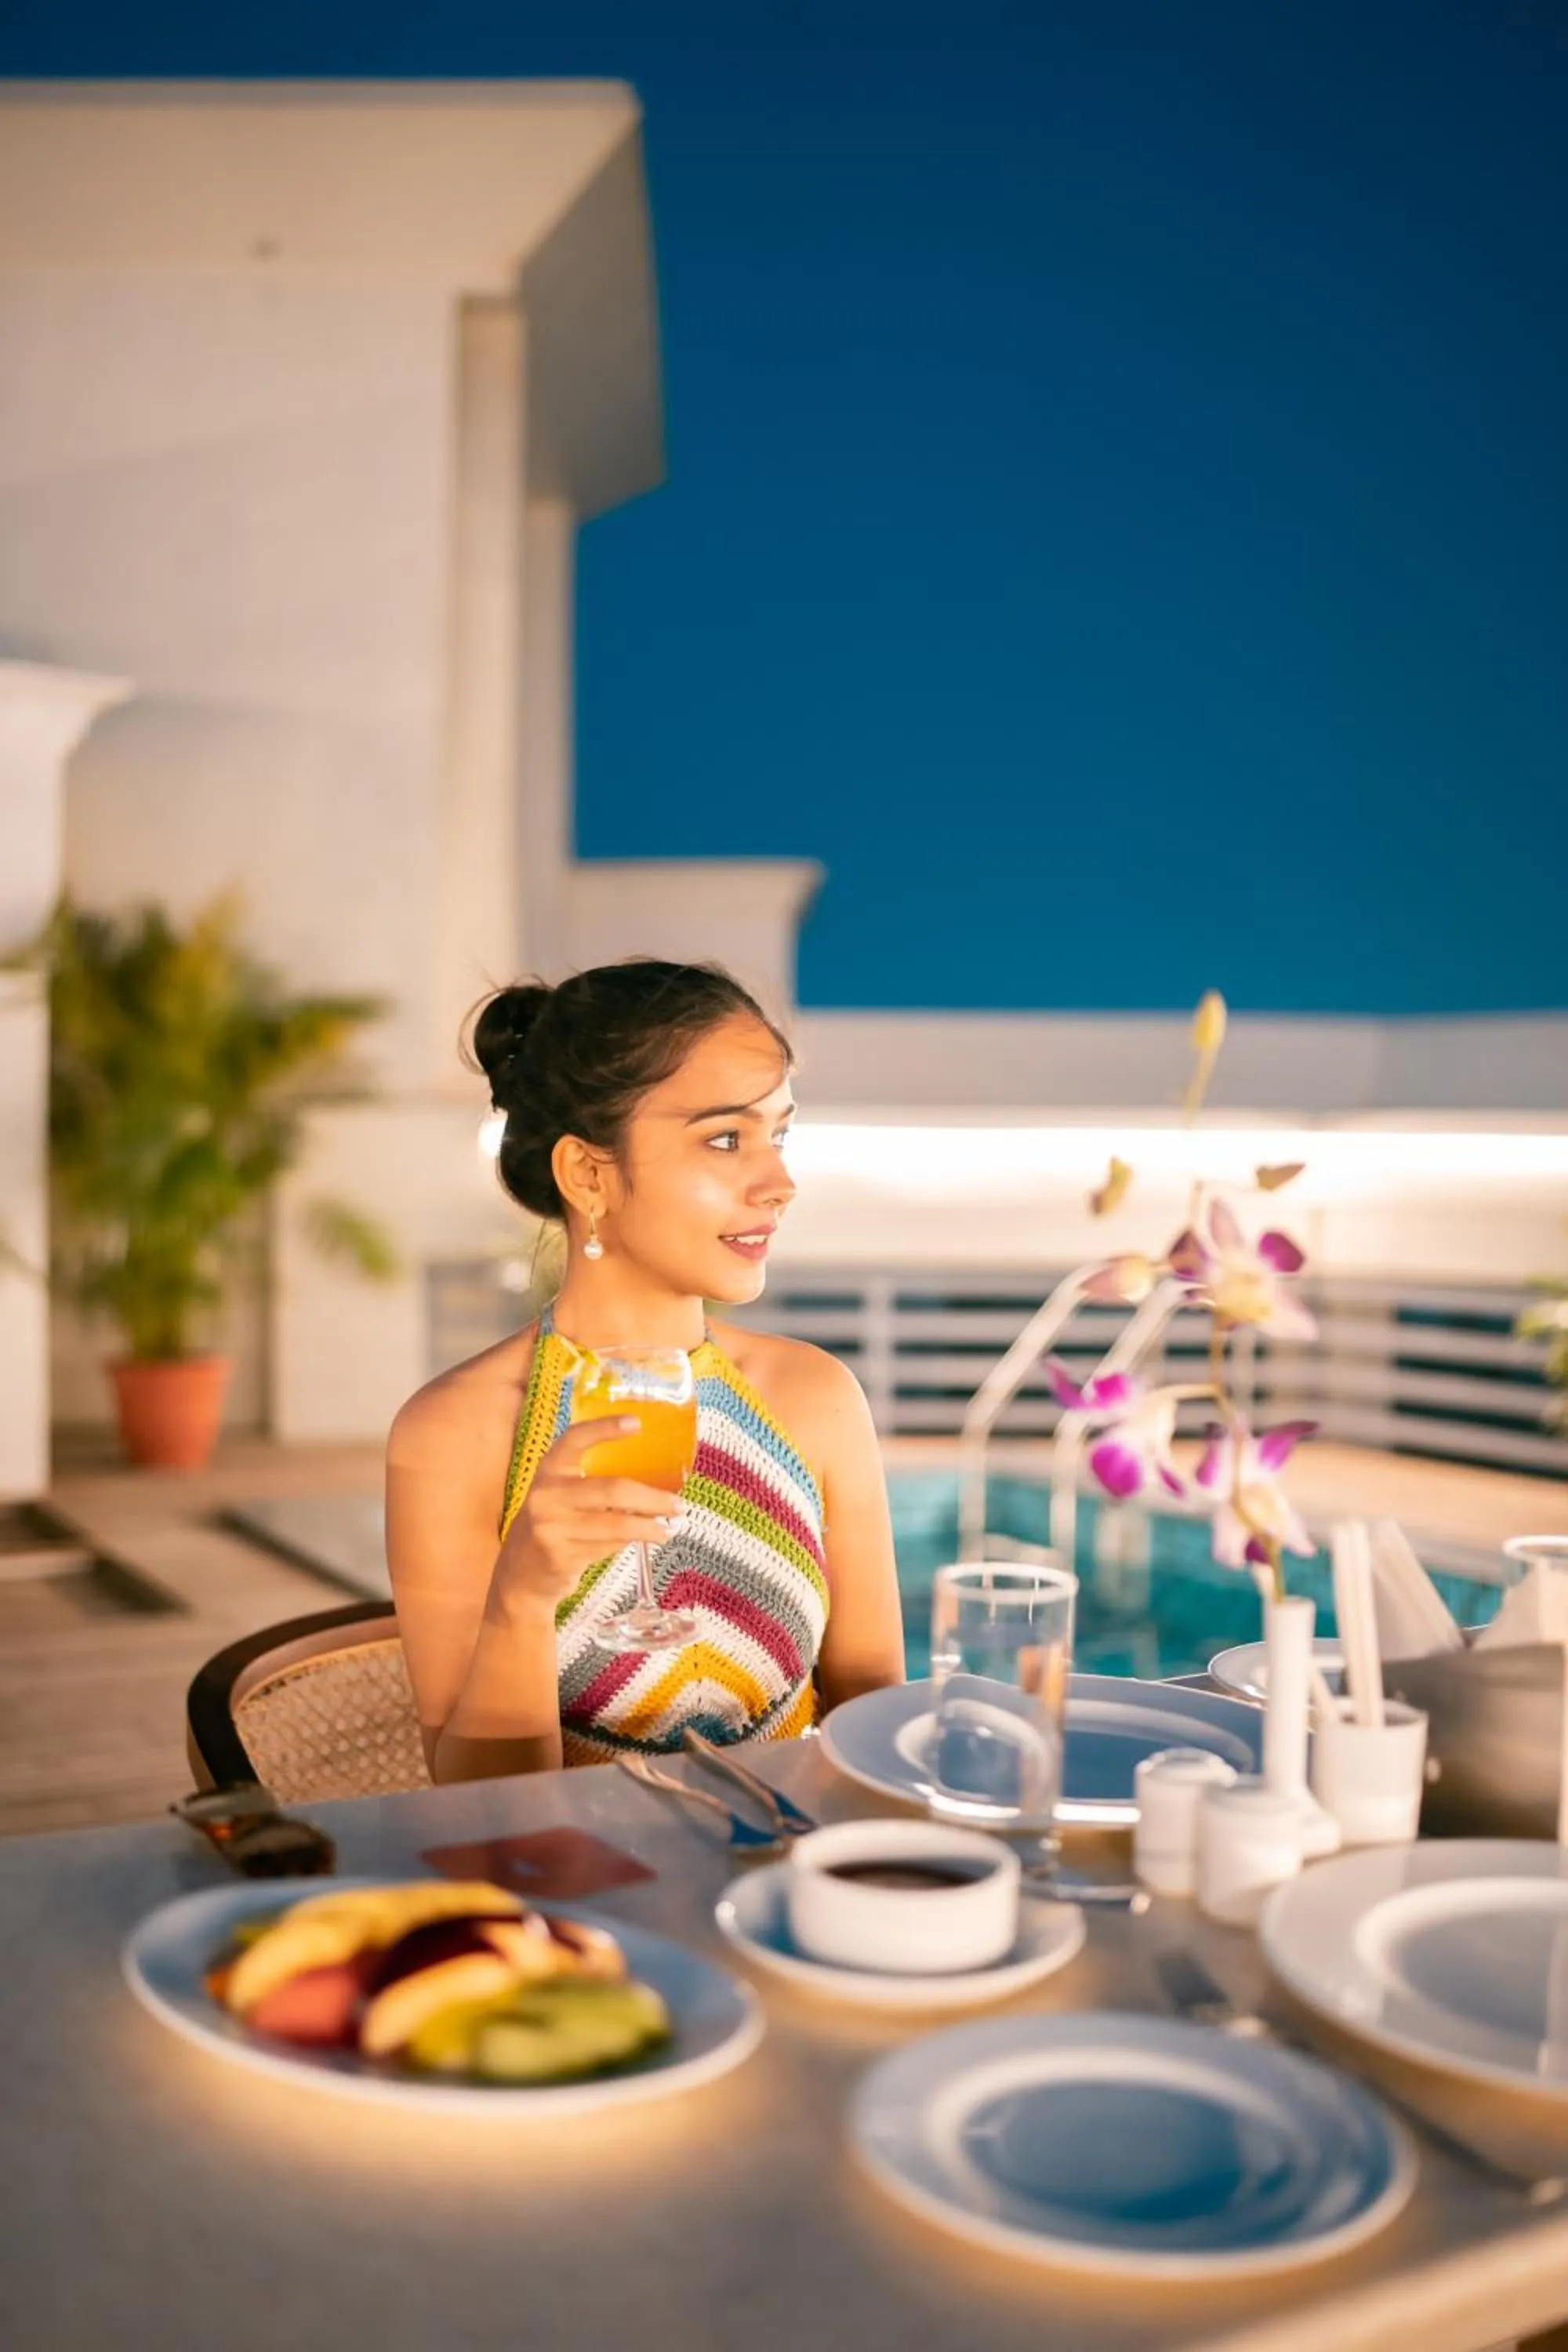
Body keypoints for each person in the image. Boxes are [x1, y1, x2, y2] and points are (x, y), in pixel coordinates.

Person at [387, 957, 906, 1784]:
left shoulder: (815, 1401)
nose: (779, 1183)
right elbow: (472, 1800)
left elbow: (871, 1716)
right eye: (726, 1139)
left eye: (779, 1135)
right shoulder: (456, 1434)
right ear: (589, 1174)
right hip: (576, 1891)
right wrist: (523, 1593)